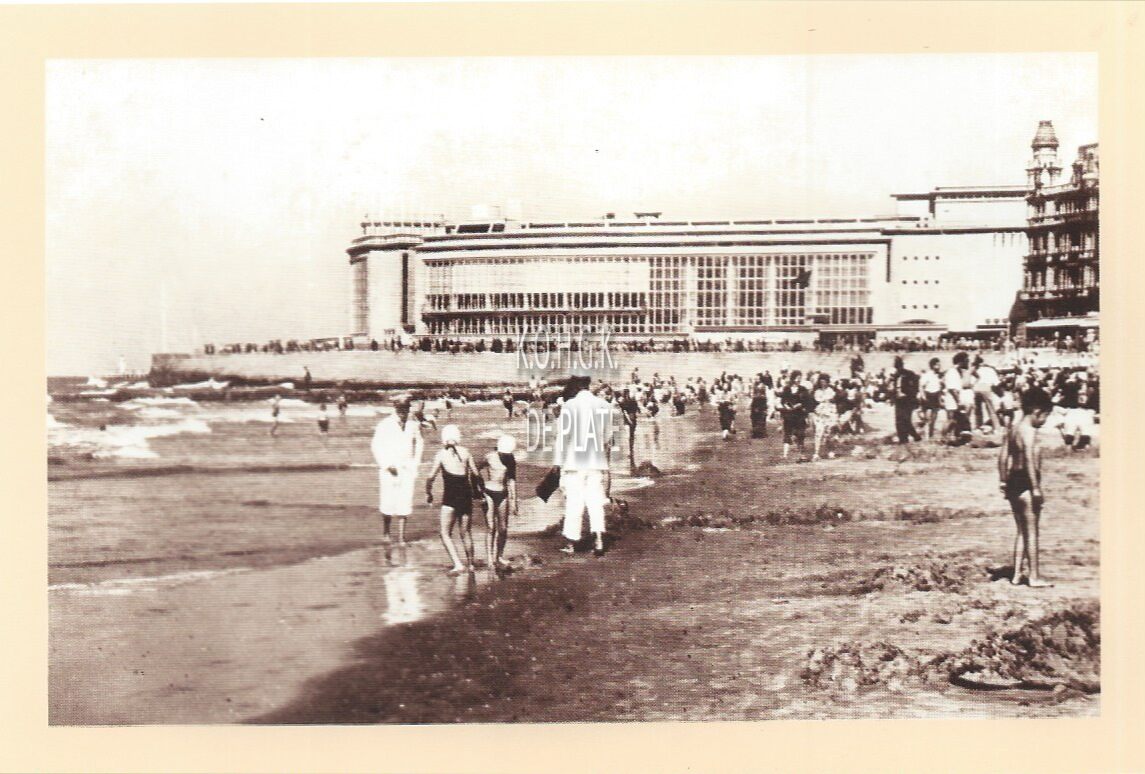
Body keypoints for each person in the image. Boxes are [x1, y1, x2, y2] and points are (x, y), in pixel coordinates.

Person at [998, 386, 1054, 588]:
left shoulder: (1013, 429)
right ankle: (1034, 576)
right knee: (1032, 531)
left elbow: (1003, 457)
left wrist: (1003, 480)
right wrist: (1036, 488)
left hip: (1013, 482)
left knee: (1021, 530)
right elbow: (1030, 460)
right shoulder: (1029, 432)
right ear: (1037, 411)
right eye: (1045, 416)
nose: (1044, 421)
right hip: (1026, 483)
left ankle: (1016, 575)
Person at [554, 373, 614, 557]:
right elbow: (608, 438)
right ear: (588, 385)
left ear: (576, 386)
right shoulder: (603, 405)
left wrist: (557, 463)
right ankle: (599, 540)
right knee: (595, 501)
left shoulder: (569, 406)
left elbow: (562, 438)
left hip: (574, 461)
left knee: (574, 502)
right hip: (596, 460)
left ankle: (572, 542)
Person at [425, 424, 483, 575]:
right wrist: (480, 493)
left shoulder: (441, 455)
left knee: (444, 533)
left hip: (450, 496)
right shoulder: (466, 452)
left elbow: (430, 477)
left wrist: (429, 493)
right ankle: (471, 565)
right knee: (466, 532)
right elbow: (476, 475)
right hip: (466, 495)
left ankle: (458, 564)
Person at [370, 397, 424, 546]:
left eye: (405, 409)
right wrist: (386, 464)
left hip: (407, 469)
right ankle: (386, 533)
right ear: (395, 409)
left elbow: (420, 443)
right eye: (400, 409)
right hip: (389, 469)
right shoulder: (385, 424)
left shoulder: (413, 425)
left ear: (408, 409)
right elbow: (375, 446)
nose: (402, 412)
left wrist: (415, 463)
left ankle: (401, 537)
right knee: (387, 501)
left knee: (405, 501)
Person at [479, 435, 519, 570]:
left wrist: (514, 501)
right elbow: (475, 470)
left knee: (503, 528)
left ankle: (499, 556)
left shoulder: (511, 459)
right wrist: (479, 489)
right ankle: (490, 559)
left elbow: (512, 480)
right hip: (489, 493)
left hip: (503, 494)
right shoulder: (489, 457)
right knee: (491, 527)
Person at [778, 373, 810, 460]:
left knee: (800, 434)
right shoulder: (787, 389)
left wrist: (800, 405)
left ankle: (801, 454)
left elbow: (807, 401)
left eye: (800, 378)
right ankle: (785, 455)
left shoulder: (803, 389)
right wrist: (787, 406)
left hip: (800, 415)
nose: (799, 380)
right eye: (797, 378)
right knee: (787, 433)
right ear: (793, 378)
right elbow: (783, 400)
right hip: (789, 415)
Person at [891, 356, 922, 444]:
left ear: (901, 365)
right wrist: (893, 397)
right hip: (899, 400)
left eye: (898, 364)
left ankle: (915, 436)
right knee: (898, 420)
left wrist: (910, 394)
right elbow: (894, 388)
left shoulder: (909, 374)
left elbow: (915, 384)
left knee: (906, 419)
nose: (897, 367)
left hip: (907, 400)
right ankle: (903, 439)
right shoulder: (896, 375)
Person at [972, 355, 1001, 433]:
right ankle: (996, 428)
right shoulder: (990, 370)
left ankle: (978, 427)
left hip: (976, 388)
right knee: (991, 409)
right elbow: (996, 383)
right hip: (986, 387)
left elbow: (972, 381)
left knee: (978, 410)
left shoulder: (976, 369)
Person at [810, 374, 836, 460]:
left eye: (824, 382)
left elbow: (832, 401)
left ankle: (830, 452)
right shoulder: (817, 391)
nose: (823, 384)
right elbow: (816, 401)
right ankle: (816, 453)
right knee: (818, 433)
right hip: (820, 414)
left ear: (827, 382)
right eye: (821, 382)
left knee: (828, 434)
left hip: (829, 413)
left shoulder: (830, 391)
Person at [919, 358, 944, 438]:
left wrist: (940, 398)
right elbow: (921, 386)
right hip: (928, 395)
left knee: (934, 417)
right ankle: (925, 433)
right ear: (933, 366)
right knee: (927, 418)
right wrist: (923, 396)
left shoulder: (939, 375)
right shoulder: (927, 375)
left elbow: (940, 387)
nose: (939, 366)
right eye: (938, 365)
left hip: (936, 396)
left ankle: (931, 434)